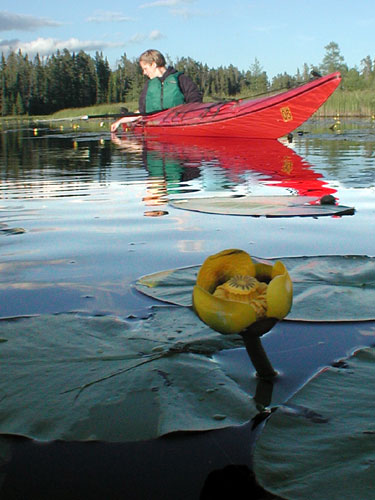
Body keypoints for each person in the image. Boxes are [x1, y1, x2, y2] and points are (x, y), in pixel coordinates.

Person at [138, 49, 202, 114]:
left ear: (154, 64)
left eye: (145, 68)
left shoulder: (181, 79)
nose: (144, 72)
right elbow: (142, 110)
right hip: (154, 123)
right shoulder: (148, 85)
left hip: (178, 121)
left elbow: (195, 102)